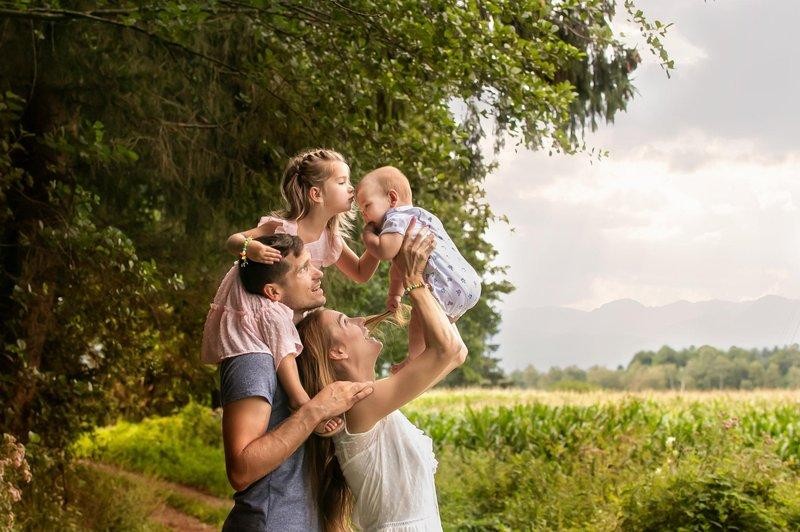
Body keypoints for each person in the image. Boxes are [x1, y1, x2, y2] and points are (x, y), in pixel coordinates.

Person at [295, 219, 468, 531]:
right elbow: (447, 350)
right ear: (337, 353)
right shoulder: (360, 407)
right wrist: (414, 279)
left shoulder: (369, 402)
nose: (361, 319)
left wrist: (426, 280)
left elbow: (456, 353)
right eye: (345, 321)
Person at [207, 148, 380, 436]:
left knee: (312, 340)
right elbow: (232, 241)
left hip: (286, 309)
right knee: (282, 330)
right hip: (257, 301)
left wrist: (376, 240)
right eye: (342, 182)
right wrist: (253, 248)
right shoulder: (282, 227)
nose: (352, 189)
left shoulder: (330, 240)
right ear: (316, 194)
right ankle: (301, 402)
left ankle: (337, 409)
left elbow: (361, 273)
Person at [216, 233, 374, 531]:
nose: (318, 272)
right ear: (273, 292)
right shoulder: (252, 358)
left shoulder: (286, 344)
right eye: (302, 269)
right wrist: (315, 410)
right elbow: (240, 469)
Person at [356, 165, 481, 372]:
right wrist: (394, 295)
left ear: (392, 199)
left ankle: (414, 360)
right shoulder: (422, 216)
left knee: (418, 317)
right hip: (468, 282)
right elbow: (398, 267)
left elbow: (386, 251)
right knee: (439, 331)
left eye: (367, 207)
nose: (365, 217)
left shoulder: (396, 218)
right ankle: (436, 354)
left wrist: (368, 236)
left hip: (446, 287)